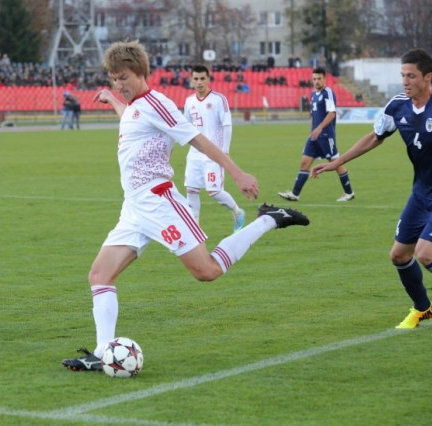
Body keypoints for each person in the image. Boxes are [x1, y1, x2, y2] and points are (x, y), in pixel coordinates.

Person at [61, 40, 310, 372]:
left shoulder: (158, 103)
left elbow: (198, 139)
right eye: (114, 79)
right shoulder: (134, 106)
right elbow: (134, 121)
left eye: (123, 78)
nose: (118, 84)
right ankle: (102, 352)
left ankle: (269, 219)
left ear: (140, 72)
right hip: (134, 209)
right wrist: (113, 101)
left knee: (207, 271)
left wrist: (237, 173)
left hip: (160, 202)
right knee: (99, 274)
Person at [312, 48, 432, 329]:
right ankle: (423, 309)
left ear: (428, 77)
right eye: (402, 75)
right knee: (399, 255)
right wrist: (338, 161)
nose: (405, 81)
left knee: (426, 253)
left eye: (411, 76)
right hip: (421, 192)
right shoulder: (397, 106)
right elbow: (375, 137)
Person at [183, 64, 245, 233]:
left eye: (202, 78)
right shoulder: (189, 101)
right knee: (191, 190)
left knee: (214, 191)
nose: (199, 82)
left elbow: (227, 125)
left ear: (208, 79)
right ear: (191, 80)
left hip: (214, 153)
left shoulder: (218, 99)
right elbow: (185, 126)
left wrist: (224, 151)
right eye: (196, 79)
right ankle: (194, 230)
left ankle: (238, 212)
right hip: (194, 153)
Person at [278, 67, 355, 202]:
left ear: (324, 79)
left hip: (326, 136)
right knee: (304, 162)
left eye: (319, 78)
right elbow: (315, 116)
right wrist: (313, 130)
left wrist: (320, 128)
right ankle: (295, 194)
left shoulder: (328, 93)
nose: (316, 81)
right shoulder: (313, 94)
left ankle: (349, 193)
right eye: (314, 79)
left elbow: (332, 113)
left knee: (336, 163)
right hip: (314, 137)